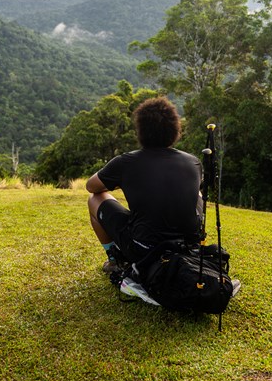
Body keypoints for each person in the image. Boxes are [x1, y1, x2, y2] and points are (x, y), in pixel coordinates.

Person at [87, 96, 204, 273]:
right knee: (198, 195)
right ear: (175, 130)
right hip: (188, 247)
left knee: (94, 199)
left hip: (144, 249)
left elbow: (91, 186)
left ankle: (116, 260)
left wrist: (123, 181)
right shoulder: (193, 162)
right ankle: (191, 247)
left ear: (141, 131)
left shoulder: (126, 162)